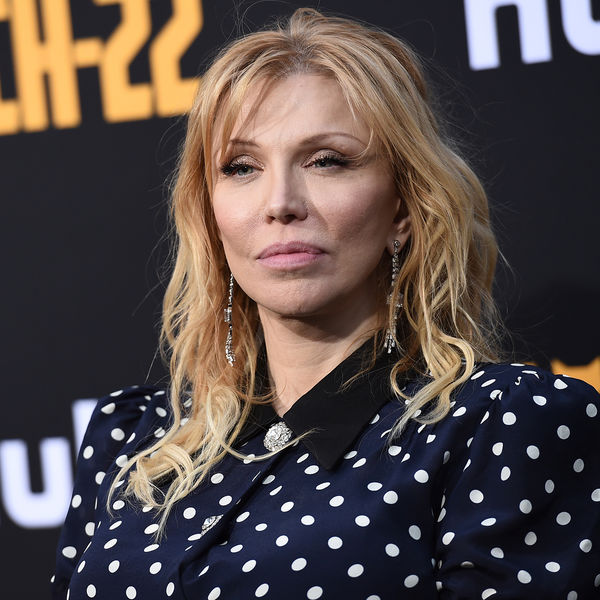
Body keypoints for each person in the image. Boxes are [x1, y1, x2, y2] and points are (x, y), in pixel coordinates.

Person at [52, 8, 600, 600]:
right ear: (210, 214)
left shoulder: (504, 426)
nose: (280, 203)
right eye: (241, 167)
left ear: (403, 206)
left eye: (327, 161)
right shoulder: (133, 439)